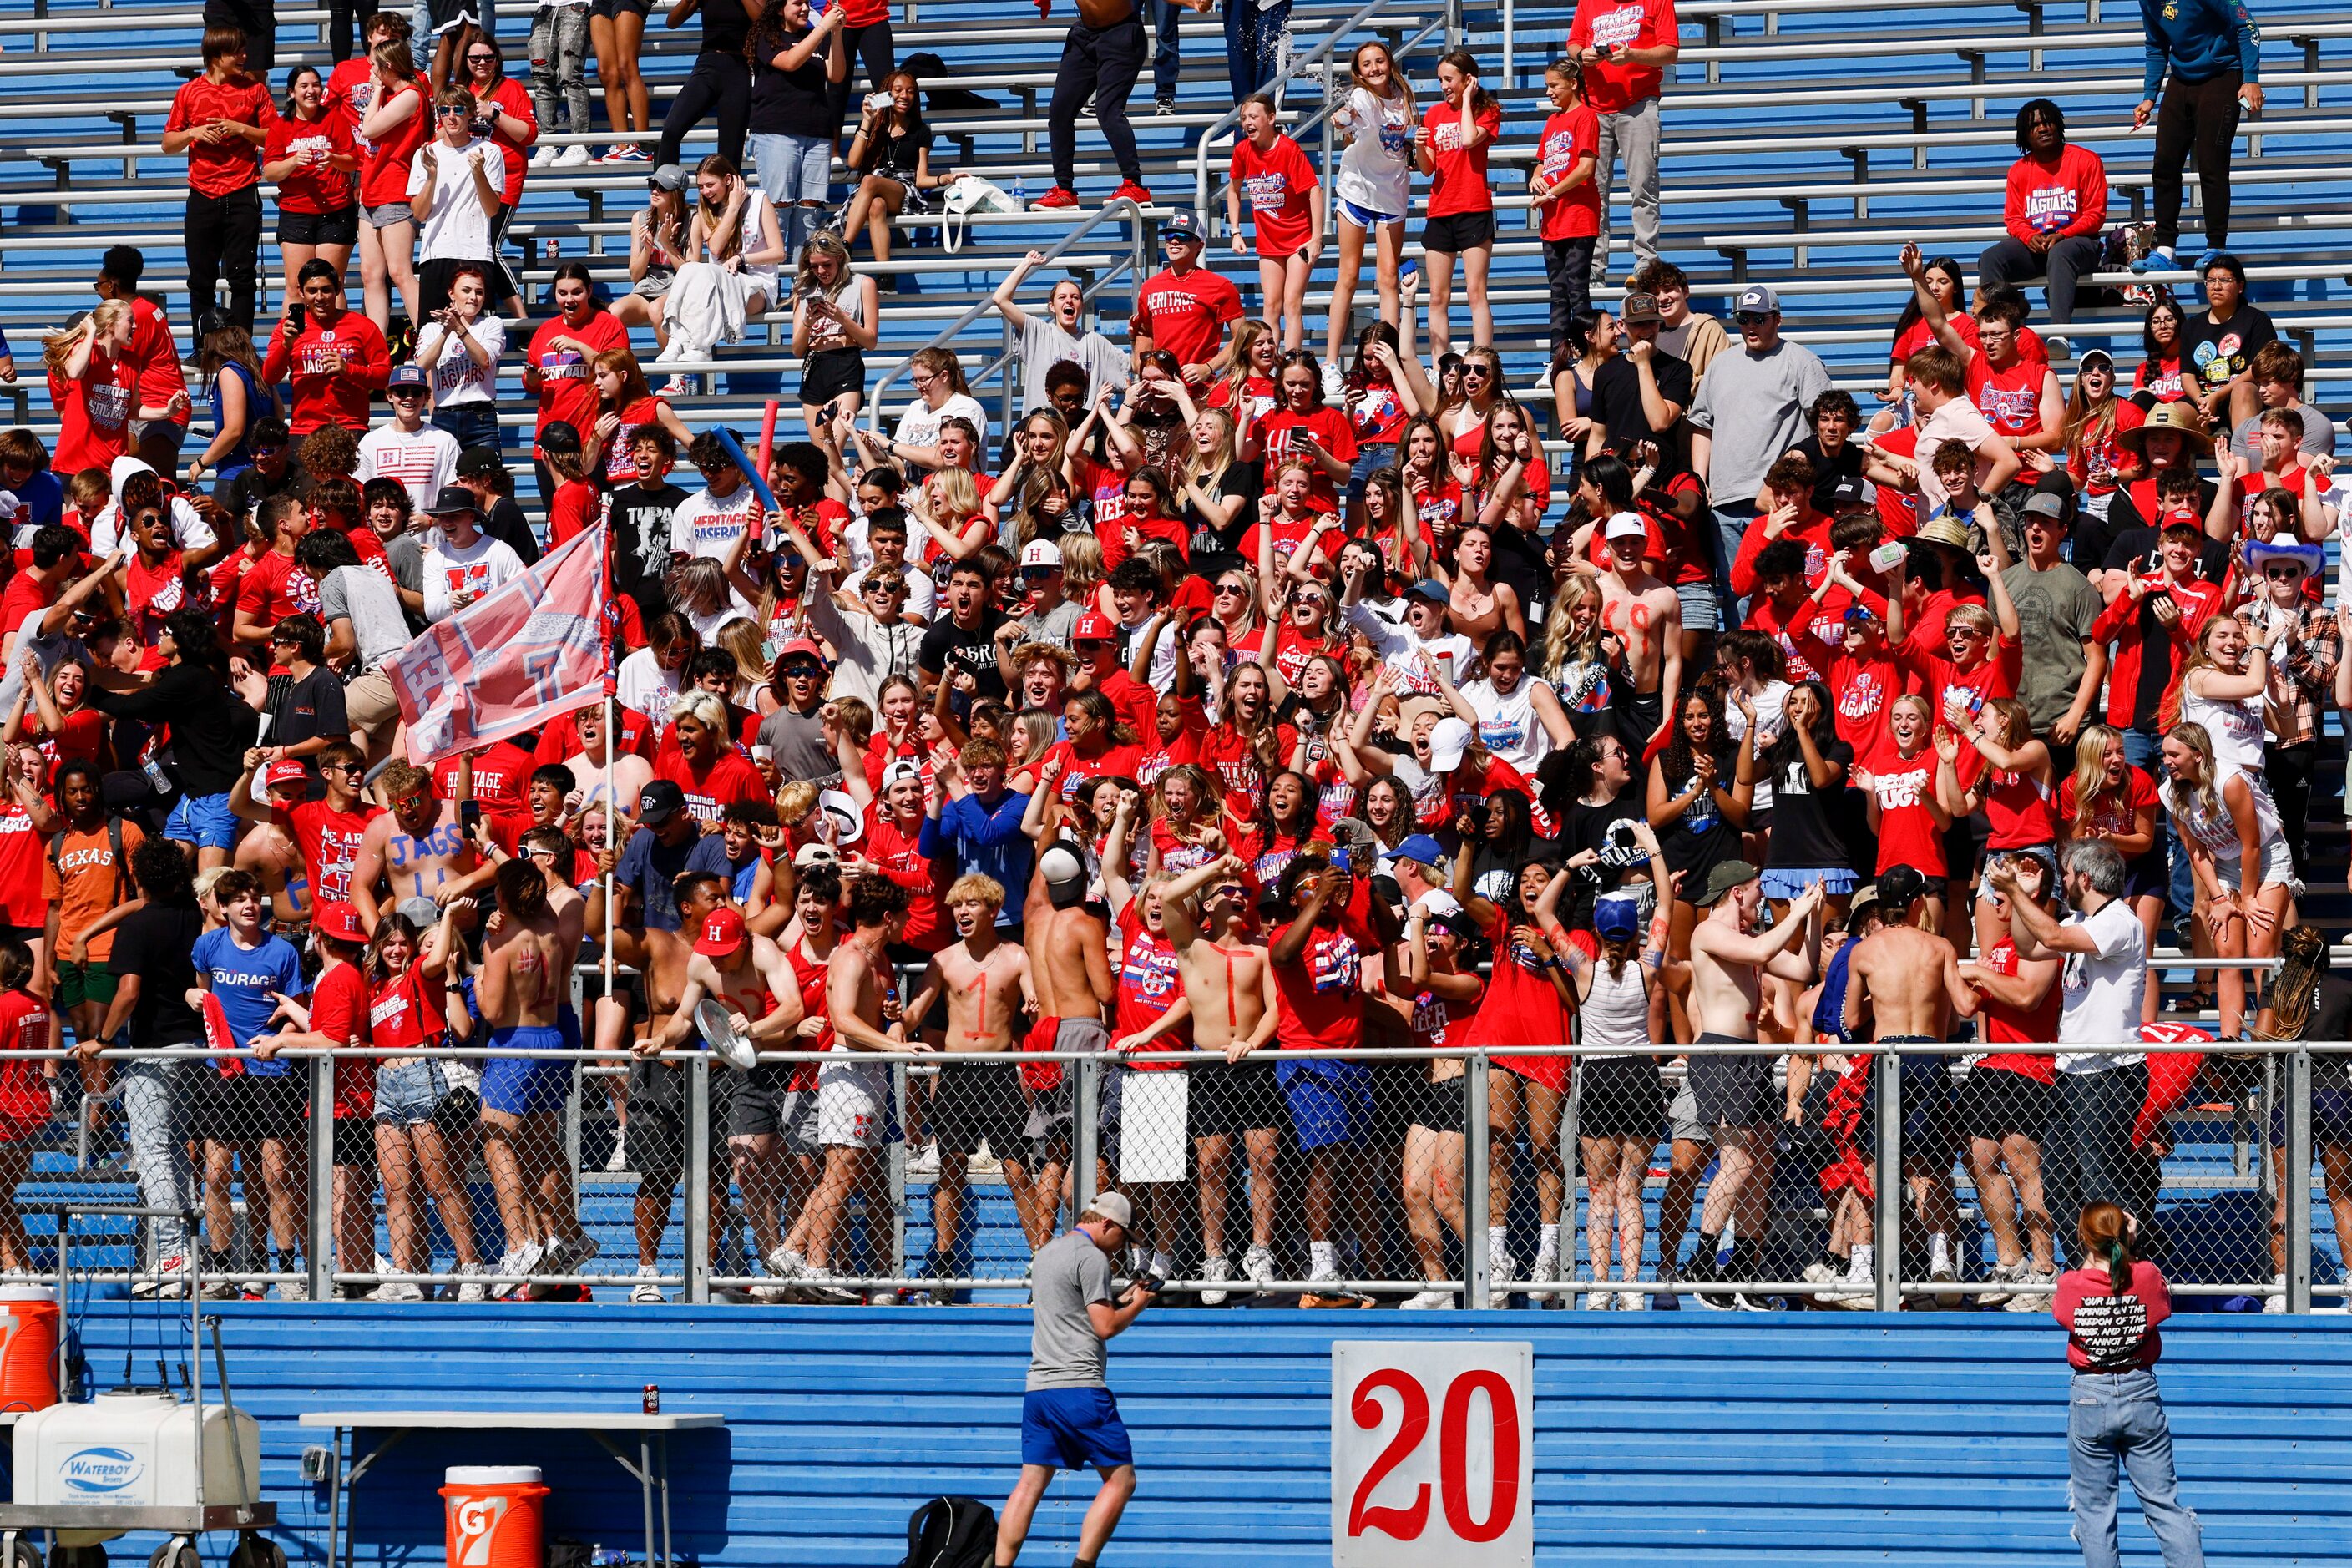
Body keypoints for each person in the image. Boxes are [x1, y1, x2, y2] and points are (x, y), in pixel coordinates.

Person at [1988, 841, 2157, 1267]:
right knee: (2060, 1181)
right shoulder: (2082, 919)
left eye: (2065, 875)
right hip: (2074, 1071)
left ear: (2085, 878)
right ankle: (2095, 1260)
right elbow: (2030, 948)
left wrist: (2016, 891)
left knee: (2100, 1177)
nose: (2062, 882)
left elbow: (2053, 935)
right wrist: (2020, 895)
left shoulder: (2119, 920)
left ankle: (2120, 1267)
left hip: (2109, 1073)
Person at [1683, 861, 1820, 1306]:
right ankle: (1702, 1265)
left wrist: (1814, 913)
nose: (1763, 897)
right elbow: (1762, 953)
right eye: (1758, 889)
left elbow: (1803, 968)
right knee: (1738, 1162)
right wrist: (1795, 914)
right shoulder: (1708, 933)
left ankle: (1742, 1267)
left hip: (1752, 1056)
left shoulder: (1747, 939)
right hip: (1721, 1054)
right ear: (1738, 893)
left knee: (1761, 1164)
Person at [994, 1189, 1151, 1568]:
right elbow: (1105, 1326)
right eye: (1123, 1239)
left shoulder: (1047, 1253)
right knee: (1121, 1480)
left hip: (1039, 1391)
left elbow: (1072, 1312)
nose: (1121, 1248)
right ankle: (1083, 1565)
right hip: (1079, 1388)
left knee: (1030, 1484)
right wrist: (1139, 1306)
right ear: (1107, 1224)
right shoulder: (1092, 1258)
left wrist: (1122, 1299)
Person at [88, 838, 210, 1293]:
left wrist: (102, 1040)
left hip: (157, 1050)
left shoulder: (139, 926)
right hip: (196, 1045)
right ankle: (182, 1258)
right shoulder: (193, 914)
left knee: (153, 1152)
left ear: (138, 879)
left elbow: (129, 991)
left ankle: (175, 1255)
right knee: (176, 1149)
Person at [2056, 1201, 2206, 1568]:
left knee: (2094, 1513)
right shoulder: (2148, 1277)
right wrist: (2132, 1245)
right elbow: (2159, 1301)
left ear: (2083, 1239)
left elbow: (2064, 1311)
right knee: (2163, 1505)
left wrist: (2095, 1255)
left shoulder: (2071, 1284)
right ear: (2128, 1235)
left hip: (2091, 1393)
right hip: (2140, 1391)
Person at [1687, 284, 1834, 617]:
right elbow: (1702, 426)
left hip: (1777, 501)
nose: (1750, 326)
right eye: (1743, 319)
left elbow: (1822, 430)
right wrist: (1700, 478)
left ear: (1777, 319)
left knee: (1784, 588)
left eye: (1759, 318)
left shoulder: (1802, 362)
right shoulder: (1721, 364)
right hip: (1725, 501)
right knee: (1735, 589)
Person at [2133, 0, 2262, 269]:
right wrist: (2149, 96)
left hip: (2222, 73)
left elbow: (2247, 25)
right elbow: (2156, 44)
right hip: (2181, 78)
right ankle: (2165, 250)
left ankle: (2216, 247)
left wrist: (2250, 78)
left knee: (2211, 164)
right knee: (2164, 165)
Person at [164, 29, 275, 336]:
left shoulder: (254, 90)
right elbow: (167, 143)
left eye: (243, 51)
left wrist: (241, 128)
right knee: (201, 280)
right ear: (216, 56)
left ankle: (242, 345)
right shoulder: (189, 92)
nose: (244, 57)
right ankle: (204, 347)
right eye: (236, 52)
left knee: (242, 277)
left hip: (242, 191)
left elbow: (276, 136)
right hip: (202, 193)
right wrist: (192, 133)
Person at [1323, 43, 1414, 390]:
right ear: (1359, 73)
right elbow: (1348, 115)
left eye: (1380, 61)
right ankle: (1331, 363)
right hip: (1358, 190)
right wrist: (1342, 119)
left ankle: (1390, 358)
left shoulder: (1405, 100)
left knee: (1389, 277)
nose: (1375, 68)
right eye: (1367, 64)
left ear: (1389, 64)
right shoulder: (1362, 97)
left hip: (1392, 192)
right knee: (1349, 273)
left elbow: (1405, 147)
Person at [1568, 0, 1676, 283]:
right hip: (1594, 107)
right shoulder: (1588, 2)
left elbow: (1670, 52)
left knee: (1643, 186)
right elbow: (1574, 43)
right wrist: (1583, 55)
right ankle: (1593, 265)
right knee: (1592, 189)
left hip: (1638, 104)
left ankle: (1646, 262)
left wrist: (1633, 56)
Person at [1977, 99, 2108, 325]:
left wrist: (2063, 235)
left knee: (2061, 253)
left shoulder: (2086, 160)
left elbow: (2095, 215)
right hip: (2036, 249)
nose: (2043, 128)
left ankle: (2060, 333)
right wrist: (2029, 237)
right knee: (1991, 257)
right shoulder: (2018, 171)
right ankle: (1996, 330)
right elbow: (2013, 219)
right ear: (2025, 135)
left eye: (2048, 122)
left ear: (2058, 125)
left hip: (2079, 246)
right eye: (2034, 125)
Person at [746, 0, 849, 262]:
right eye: (797, 3)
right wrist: (823, 27)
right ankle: (773, 284)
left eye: (806, 2)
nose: (804, 8)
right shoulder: (766, 35)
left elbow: (836, 75)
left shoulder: (814, 36)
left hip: (817, 133)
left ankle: (801, 286)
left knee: (811, 211)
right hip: (777, 132)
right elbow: (790, 62)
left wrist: (835, 34)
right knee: (779, 209)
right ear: (779, 7)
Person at [1416, 51, 1500, 359]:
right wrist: (1419, 144)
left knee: (1476, 292)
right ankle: (1439, 365)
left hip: (1474, 207)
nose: (1443, 86)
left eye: (1449, 79)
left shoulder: (1487, 110)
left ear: (1469, 80)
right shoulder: (1434, 114)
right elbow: (1427, 169)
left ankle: (1484, 359)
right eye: (1440, 80)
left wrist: (1466, 101)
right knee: (1438, 296)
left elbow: (1468, 140)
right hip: (1440, 209)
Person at [1032, 0, 1154, 210]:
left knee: (1107, 109)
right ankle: (1064, 191)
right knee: (1059, 110)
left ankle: (1135, 186)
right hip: (1083, 35)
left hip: (1122, 32)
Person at [263, 64, 362, 319]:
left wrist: (333, 159)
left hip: (336, 210)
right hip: (296, 212)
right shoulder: (280, 126)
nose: (311, 90)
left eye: (316, 85)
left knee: (332, 285)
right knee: (297, 287)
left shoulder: (335, 118)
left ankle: (339, 344)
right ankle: (291, 348)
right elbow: (270, 171)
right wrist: (294, 161)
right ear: (291, 93)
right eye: (304, 86)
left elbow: (352, 160)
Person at [839, 70, 950, 276]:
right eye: (898, 90)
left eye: (910, 92)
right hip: (873, 191)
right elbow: (853, 162)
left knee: (870, 180)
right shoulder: (874, 126)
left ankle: (845, 245)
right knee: (876, 205)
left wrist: (943, 179)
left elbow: (921, 178)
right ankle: (886, 275)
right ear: (887, 94)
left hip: (904, 190)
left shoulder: (921, 130)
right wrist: (867, 121)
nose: (904, 96)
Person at [1530, 58, 1601, 357]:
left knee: (1577, 292)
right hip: (1553, 223)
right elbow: (1542, 164)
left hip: (1579, 219)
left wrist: (1551, 193)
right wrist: (1536, 179)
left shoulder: (1586, 117)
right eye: (1547, 85)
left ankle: (1586, 354)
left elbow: (1586, 168)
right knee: (1558, 295)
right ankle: (1557, 359)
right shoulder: (1552, 122)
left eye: (1554, 85)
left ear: (1573, 84)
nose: (1549, 92)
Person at [653, 0, 756, 175]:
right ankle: (666, 194)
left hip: (738, 68)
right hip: (707, 64)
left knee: (730, 152)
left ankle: (728, 202)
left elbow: (762, 19)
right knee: (671, 130)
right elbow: (672, 22)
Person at [527, 0, 594, 169]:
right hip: (545, 9)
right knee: (541, 78)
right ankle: (548, 144)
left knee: (570, 76)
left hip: (577, 5)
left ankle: (581, 143)